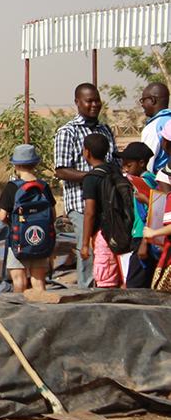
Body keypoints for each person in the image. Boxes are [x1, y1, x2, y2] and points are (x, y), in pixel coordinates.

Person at [52, 82, 119, 288]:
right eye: (89, 101)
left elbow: (114, 162)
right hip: (81, 204)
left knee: (107, 250)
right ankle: (86, 295)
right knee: (87, 249)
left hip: (106, 203)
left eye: (97, 100)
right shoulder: (67, 132)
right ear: (77, 103)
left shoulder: (105, 129)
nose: (94, 104)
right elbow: (62, 170)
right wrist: (95, 176)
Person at [0, 144, 53, 293]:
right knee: (39, 281)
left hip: (17, 241)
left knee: (19, 282)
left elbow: (2, 216)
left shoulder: (12, 187)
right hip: (40, 240)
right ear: (37, 164)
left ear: (16, 165)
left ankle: (20, 314)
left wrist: (12, 224)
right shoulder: (43, 186)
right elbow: (52, 212)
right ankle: (42, 310)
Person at [80, 133, 125, 288]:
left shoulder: (91, 178)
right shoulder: (116, 171)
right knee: (122, 279)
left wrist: (85, 243)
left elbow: (90, 213)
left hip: (103, 235)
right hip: (122, 232)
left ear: (87, 152)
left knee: (106, 282)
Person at [121, 142, 162, 288]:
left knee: (134, 284)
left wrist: (144, 243)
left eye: (129, 165)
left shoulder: (145, 182)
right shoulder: (149, 179)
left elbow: (153, 212)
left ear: (142, 163)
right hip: (144, 237)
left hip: (143, 237)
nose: (125, 168)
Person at [142, 83, 171, 176]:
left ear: (152, 100)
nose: (142, 105)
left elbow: (147, 163)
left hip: (160, 184)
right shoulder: (168, 120)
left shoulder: (154, 127)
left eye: (143, 100)